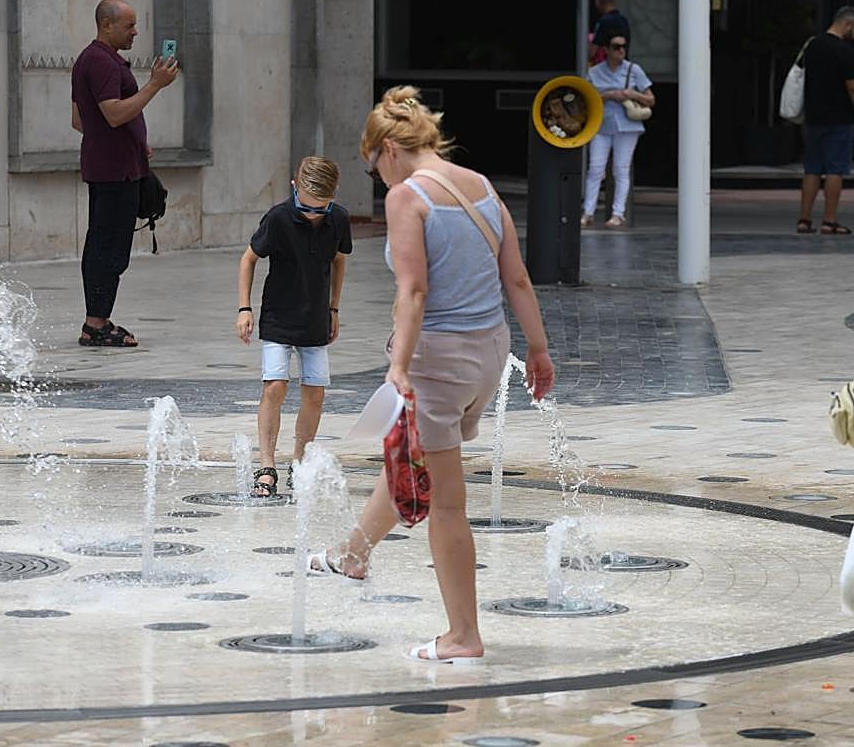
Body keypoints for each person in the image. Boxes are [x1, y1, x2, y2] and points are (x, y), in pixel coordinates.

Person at [315, 86, 554, 664]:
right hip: (489, 353)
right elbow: (517, 280)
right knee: (410, 453)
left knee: (446, 503)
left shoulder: (408, 197)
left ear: (390, 149)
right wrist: (540, 352)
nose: (378, 179)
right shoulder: (483, 187)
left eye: (374, 167)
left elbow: (414, 289)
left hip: (436, 361)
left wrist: (397, 365)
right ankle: (353, 553)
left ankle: (463, 636)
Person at [235, 157, 352, 495]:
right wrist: (245, 308)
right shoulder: (278, 218)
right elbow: (248, 259)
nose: (313, 213)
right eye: (306, 206)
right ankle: (266, 465)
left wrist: (334, 307)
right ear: (294, 187)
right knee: (275, 386)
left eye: (322, 208)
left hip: (315, 317)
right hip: (278, 316)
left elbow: (339, 260)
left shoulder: (339, 218)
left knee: (315, 392)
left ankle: (300, 463)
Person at [71, 0, 179, 347]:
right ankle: (96, 324)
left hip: (116, 165)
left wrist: (132, 143)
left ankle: (97, 319)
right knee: (108, 247)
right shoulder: (101, 62)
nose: (135, 32)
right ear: (106, 25)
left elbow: (80, 119)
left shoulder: (92, 60)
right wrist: (154, 85)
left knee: (106, 244)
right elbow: (114, 114)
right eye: (129, 25)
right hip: (114, 173)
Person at [797, 6, 854, 235]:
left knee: (811, 168)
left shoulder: (812, 45)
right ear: (847, 24)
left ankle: (804, 219)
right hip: (839, 117)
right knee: (834, 170)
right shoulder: (844, 51)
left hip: (813, 115)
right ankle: (829, 220)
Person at [581, 35, 656, 228]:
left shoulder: (633, 70)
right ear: (606, 50)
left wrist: (632, 94)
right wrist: (609, 95)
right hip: (602, 124)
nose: (621, 50)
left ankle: (618, 213)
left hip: (628, 125)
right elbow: (587, 98)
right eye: (616, 47)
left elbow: (650, 99)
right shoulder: (595, 72)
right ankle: (588, 212)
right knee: (595, 169)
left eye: (623, 47)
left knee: (621, 169)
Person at [588, 0, 630, 66]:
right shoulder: (624, 21)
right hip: (623, 67)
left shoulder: (603, 22)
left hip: (608, 69)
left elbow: (592, 53)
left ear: (599, 1)